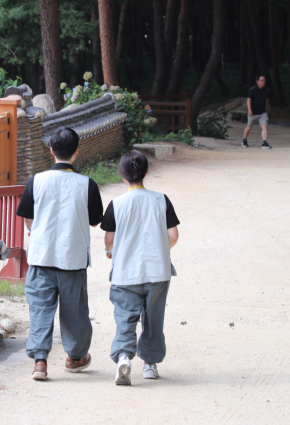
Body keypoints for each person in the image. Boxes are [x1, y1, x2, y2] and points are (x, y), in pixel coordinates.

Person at [15, 127, 104, 381]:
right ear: (76, 152)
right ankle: (75, 358)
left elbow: (29, 221)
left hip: (41, 256)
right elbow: (95, 220)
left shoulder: (36, 181)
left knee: (40, 308)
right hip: (72, 257)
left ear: (51, 150)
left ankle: (40, 362)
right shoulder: (87, 184)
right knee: (74, 309)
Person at [101, 150, 179, 386]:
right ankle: (150, 365)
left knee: (125, 317)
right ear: (145, 172)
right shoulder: (161, 200)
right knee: (153, 318)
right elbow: (173, 235)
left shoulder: (116, 204)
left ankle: (124, 356)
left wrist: (109, 252)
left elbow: (109, 239)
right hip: (158, 271)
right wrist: (161, 249)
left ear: (122, 175)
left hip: (126, 273)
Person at [243, 75, 272, 149]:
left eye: (264, 80)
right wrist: (249, 110)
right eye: (261, 80)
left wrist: (266, 110)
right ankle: (244, 140)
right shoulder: (253, 90)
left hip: (262, 112)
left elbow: (266, 100)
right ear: (257, 81)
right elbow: (249, 100)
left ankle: (264, 143)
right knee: (249, 127)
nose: (263, 82)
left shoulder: (266, 90)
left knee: (264, 126)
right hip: (253, 112)